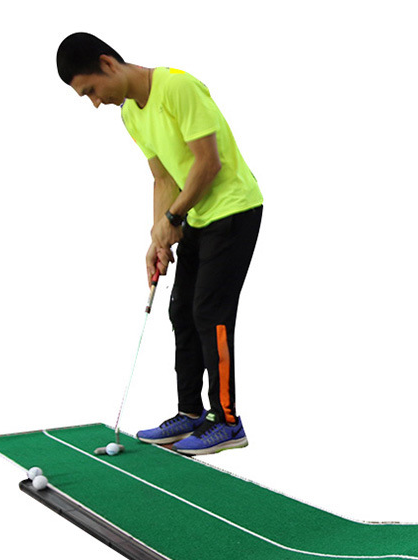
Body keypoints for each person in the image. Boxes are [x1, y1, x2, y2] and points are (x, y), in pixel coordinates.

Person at [56, 32, 263, 455]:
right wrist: (158, 237)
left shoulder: (177, 87)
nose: (94, 102)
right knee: (181, 310)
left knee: (210, 312)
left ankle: (227, 421)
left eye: (91, 90)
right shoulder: (131, 114)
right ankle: (190, 413)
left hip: (234, 209)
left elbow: (208, 163)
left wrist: (173, 219)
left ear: (107, 64)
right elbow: (163, 177)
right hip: (198, 214)